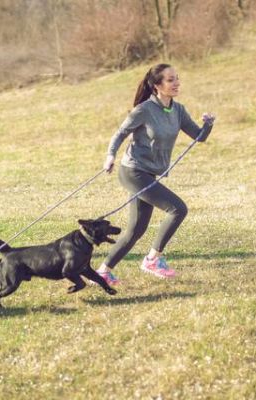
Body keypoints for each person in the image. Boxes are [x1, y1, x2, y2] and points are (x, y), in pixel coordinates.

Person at [96, 63, 215, 284]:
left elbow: (199, 137)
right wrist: (110, 156)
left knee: (136, 229)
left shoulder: (178, 110)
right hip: (133, 171)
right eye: (170, 80)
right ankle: (152, 259)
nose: (176, 83)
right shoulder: (144, 110)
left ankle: (102, 272)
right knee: (177, 209)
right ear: (157, 85)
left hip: (148, 174)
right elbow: (120, 133)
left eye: (177, 78)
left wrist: (207, 125)